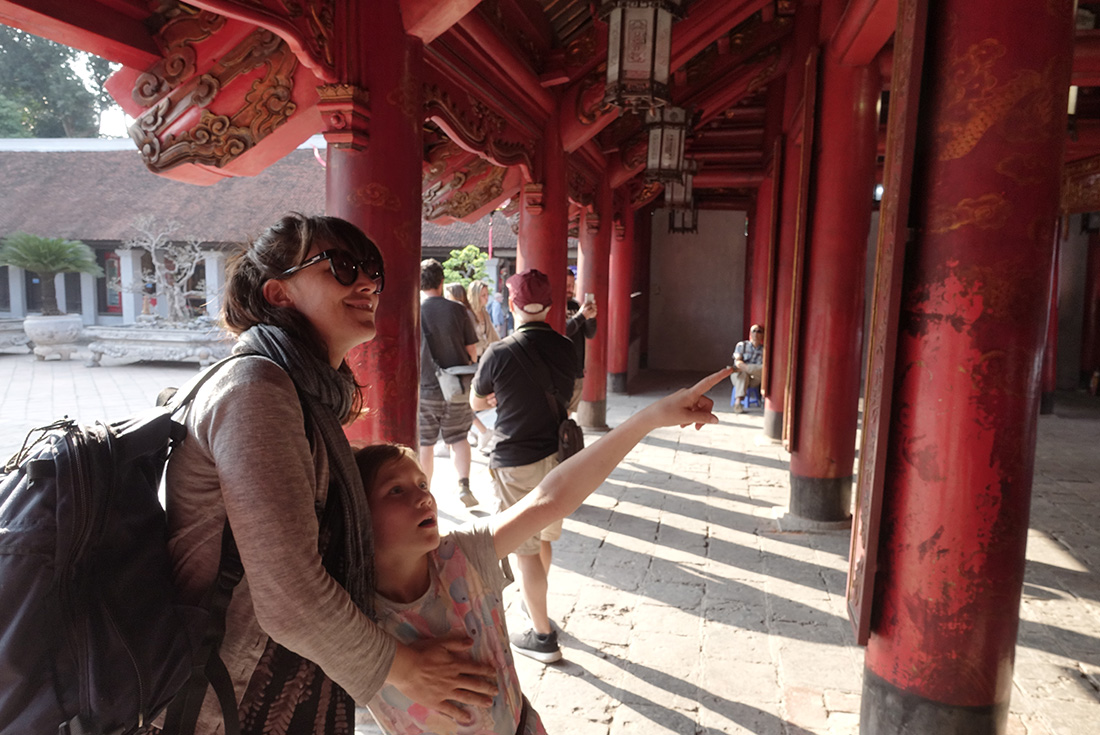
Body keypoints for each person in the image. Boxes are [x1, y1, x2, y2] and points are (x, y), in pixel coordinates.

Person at [164, 214, 495, 735]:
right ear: (279, 293)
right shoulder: (256, 390)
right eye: (341, 267)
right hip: (222, 693)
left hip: (269, 685)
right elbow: (289, 595)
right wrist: (405, 669)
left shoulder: (304, 392)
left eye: (372, 271)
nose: (367, 283)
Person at [354, 367, 729, 735]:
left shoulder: (461, 557)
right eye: (396, 491)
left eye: (422, 482)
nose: (424, 496)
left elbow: (550, 498)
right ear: (358, 516)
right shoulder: (344, 618)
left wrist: (649, 418)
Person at [469, 268, 575, 663]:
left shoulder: (499, 352)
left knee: (525, 550)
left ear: (512, 305)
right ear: (549, 305)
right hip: (559, 457)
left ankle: (543, 636)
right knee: (544, 538)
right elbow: (572, 395)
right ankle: (540, 610)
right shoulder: (566, 347)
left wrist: (497, 400)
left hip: (516, 461)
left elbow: (477, 403)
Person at [420, 260, 480, 507]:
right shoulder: (457, 310)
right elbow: (472, 351)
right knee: (458, 437)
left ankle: (425, 493)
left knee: (425, 444)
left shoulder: (415, 310)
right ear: (441, 281)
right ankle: (464, 485)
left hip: (425, 387)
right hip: (456, 386)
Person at [563, 269, 597, 416]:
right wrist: (581, 316)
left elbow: (590, 334)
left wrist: (590, 317)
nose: (570, 289)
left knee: (569, 411)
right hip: (560, 368)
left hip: (576, 367)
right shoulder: (554, 307)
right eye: (566, 285)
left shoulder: (576, 306)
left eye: (572, 285)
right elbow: (563, 331)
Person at [731, 323, 764, 413]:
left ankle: (738, 403)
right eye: (754, 331)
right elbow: (738, 363)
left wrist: (746, 368)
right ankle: (738, 404)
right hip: (739, 375)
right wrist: (749, 369)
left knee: (764, 369)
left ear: (762, 335)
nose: (756, 334)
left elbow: (763, 369)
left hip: (755, 378)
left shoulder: (764, 349)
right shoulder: (742, 345)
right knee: (743, 375)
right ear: (750, 334)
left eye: (759, 331)